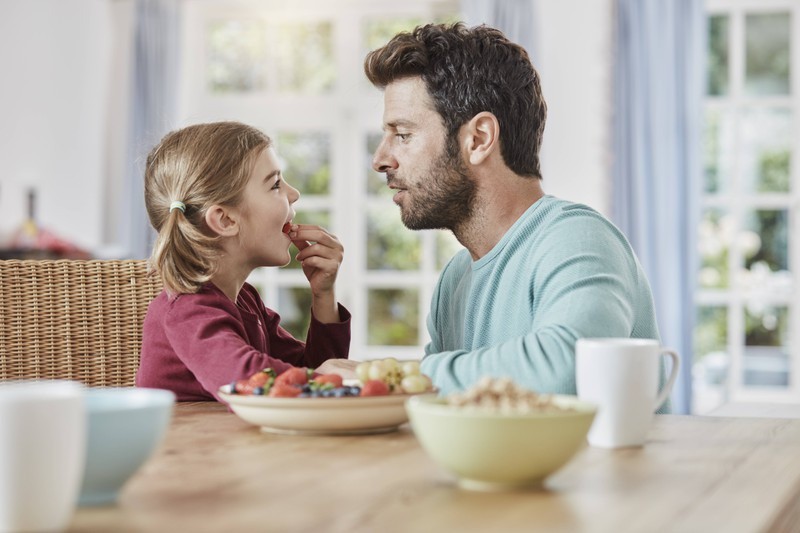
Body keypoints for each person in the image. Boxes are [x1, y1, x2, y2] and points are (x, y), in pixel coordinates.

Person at [365, 23, 668, 410]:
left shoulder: (577, 239)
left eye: (402, 135)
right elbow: (439, 406)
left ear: (478, 139)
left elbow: (566, 370)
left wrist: (390, 378)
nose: (380, 159)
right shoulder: (455, 280)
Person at [136, 121, 357, 401]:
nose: (294, 194)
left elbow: (310, 380)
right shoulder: (185, 310)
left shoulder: (245, 301)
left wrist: (324, 295)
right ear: (226, 220)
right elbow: (247, 380)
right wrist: (324, 376)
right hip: (187, 444)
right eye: (275, 184)